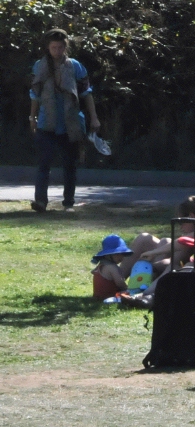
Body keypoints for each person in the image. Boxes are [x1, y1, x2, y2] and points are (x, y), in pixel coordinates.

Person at [28, 28, 100, 212]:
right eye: (53, 47)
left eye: (60, 47)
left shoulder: (75, 66)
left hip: (71, 122)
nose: (57, 51)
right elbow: (34, 95)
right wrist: (32, 117)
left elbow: (86, 93)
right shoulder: (39, 66)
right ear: (48, 47)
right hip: (46, 122)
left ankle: (68, 202)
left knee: (70, 164)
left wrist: (94, 118)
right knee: (44, 162)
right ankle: (41, 202)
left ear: (65, 47)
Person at [91, 234, 133, 301]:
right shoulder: (112, 267)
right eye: (117, 254)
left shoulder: (101, 265)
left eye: (123, 254)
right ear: (108, 255)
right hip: (110, 297)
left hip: (98, 297)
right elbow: (120, 283)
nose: (121, 257)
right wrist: (127, 289)